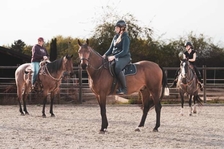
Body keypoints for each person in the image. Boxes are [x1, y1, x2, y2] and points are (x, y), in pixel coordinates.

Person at [102, 20, 131, 95]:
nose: (115, 29)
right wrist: (104, 56)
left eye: (117, 27)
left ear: (122, 28)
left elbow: (125, 51)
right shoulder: (115, 37)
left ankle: (124, 88)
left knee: (117, 68)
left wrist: (114, 56)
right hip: (116, 57)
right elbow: (110, 49)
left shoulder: (125, 37)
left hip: (124, 57)